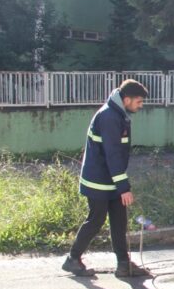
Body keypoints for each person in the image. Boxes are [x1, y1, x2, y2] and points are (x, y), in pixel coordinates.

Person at [62, 79, 148, 278]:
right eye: (138, 102)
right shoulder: (109, 117)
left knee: (119, 221)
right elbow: (113, 154)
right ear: (126, 100)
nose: (141, 106)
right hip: (98, 181)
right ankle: (73, 259)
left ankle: (124, 264)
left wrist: (120, 185)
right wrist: (123, 187)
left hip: (110, 180)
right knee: (96, 219)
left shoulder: (118, 113)